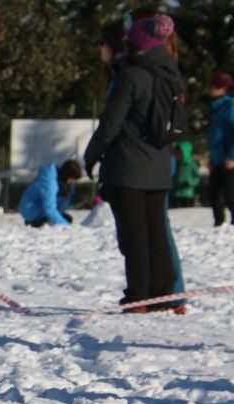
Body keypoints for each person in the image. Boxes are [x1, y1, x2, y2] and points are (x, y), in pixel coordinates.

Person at [83, 14, 184, 313]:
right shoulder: (171, 73)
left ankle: (138, 296)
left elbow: (111, 123)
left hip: (128, 166)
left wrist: (92, 155)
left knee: (134, 233)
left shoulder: (130, 74)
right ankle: (163, 294)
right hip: (160, 165)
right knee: (156, 231)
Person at [19, 159, 82, 227]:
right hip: (30, 210)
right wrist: (66, 226)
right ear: (66, 174)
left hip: (40, 209)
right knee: (63, 220)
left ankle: (44, 221)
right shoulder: (50, 183)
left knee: (67, 219)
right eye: (72, 179)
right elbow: (49, 208)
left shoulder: (61, 182)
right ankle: (35, 221)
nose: (73, 182)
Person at [207, 69, 234, 226]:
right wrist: (212, 159)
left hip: (229, 161)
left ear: (223, 88)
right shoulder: (216, 108)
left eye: (214, 85)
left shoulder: (230, 107)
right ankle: (218, 228)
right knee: (214, 196)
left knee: (231, 196)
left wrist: (232, 156)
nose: (210, 88)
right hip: (218, 160)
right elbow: (215, 136)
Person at [170, 140, 201, 207]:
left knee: (187, 213)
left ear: (185, 153)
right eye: (176, 153)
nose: (177, 156)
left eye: (179, 153)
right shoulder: (176, 164)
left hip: (188, 194)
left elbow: (197, 178)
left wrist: (190, 183)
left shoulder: (192, 164)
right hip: (176, 193)